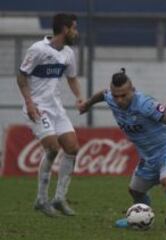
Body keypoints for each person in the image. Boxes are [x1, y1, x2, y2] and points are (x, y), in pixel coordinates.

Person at [79, 68, 166, 231]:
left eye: (123, 95)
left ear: (132, 90)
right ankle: (141, 218)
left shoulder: (146, 105)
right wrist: (87, 104)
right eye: (116, 95)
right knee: (135, 191)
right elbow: (103, 94)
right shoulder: (111, 97)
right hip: (148, 157)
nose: (119, 100)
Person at [17, 13, 83, 217]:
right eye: (74, 28)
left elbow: (72, 78)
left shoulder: (69, 53)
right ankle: (41, 199)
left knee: (72, 147)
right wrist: (29, 103)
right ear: (64, 29)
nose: (76, 32)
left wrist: (79, 97)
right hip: (38, 107)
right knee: (53, 148)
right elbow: (21, 76)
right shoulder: (38, 49)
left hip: (57, 108)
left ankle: (59, 198)